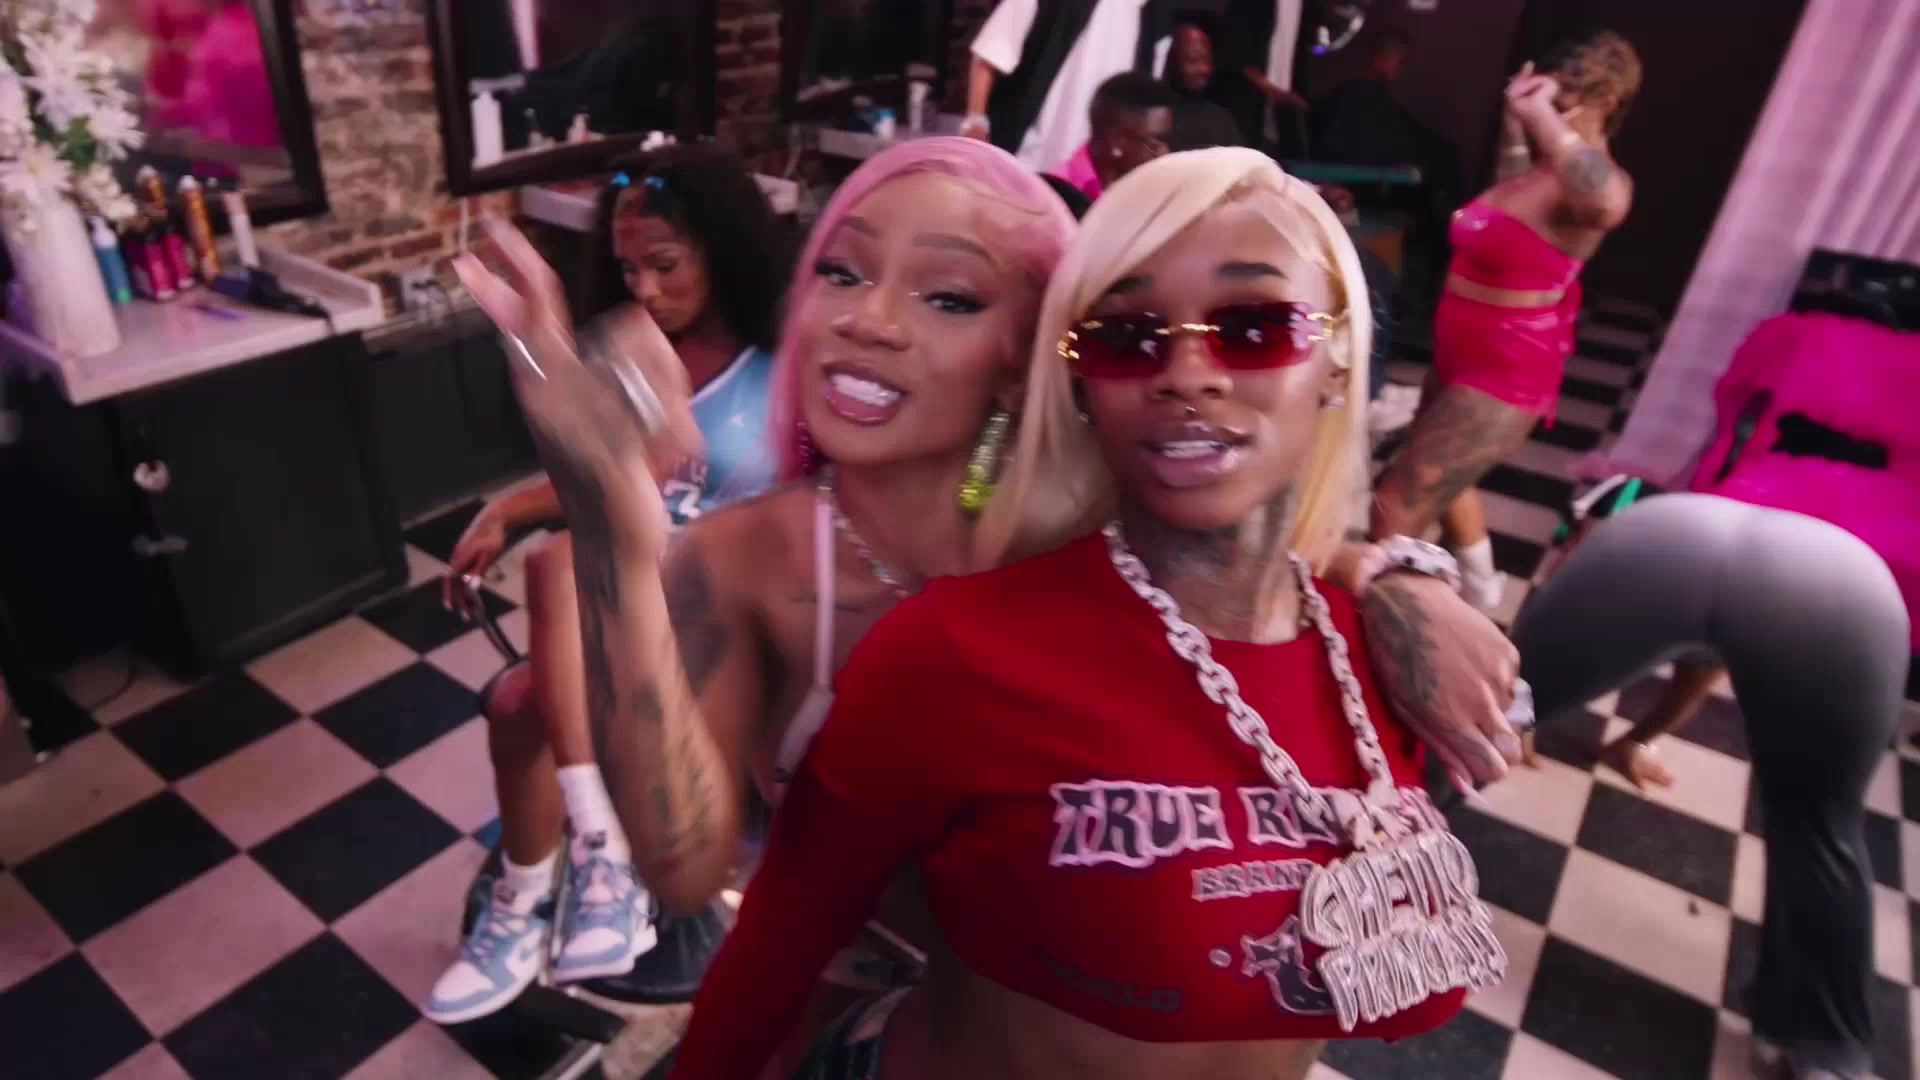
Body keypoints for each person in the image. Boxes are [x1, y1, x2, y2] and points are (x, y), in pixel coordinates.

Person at [454, 137, 1526, 1073]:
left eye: (950, 296)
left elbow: (1241, 529)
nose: (869, 320)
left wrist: (1391, 577)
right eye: (840, 270)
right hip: (873, 1000)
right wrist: (610, 522)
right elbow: (700, 880)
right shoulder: (783, 570)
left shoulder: (1094, 525)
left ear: (1033, 361)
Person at [422, 143, 791, 1025]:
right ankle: (540, 891)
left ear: (723, 251)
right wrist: (507, 506)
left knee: (560, 568)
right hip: (638, 587)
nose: (645, 290)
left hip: (733, 614)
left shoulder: (781, 367)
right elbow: (612, 475)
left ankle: (591, 859)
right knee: (522, 689)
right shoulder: (640, 353)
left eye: (665, 264)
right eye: (628, 269)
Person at [1511, 493, 1907, 1080]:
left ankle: (1376, 876)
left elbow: (1702, 616)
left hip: (1665, 540)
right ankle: (1824, 1052)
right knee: (1822, 831)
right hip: (1853, 586)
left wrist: (1519, 704)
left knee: (1477, 716)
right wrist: (1635, 737)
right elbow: (1714, 636)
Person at [1372, 30, 1641, 610]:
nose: (1552, 102)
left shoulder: (1594, 181)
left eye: (1566, 94)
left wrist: (1542, 116)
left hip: (1505, 368)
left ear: (1605, 99)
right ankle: (1479, 585)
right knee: (1444, 475)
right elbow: (1507, 191)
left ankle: (1386, 625)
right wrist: (1517, 126)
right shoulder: (1537, 174)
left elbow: (1608, 203)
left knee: (1396, 500)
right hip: (1458, 350)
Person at [962, 0, 1158, 171]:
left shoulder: (1146, 11)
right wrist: (975, 121)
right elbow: (991, 52)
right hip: (1027, 158)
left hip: (1095, 175)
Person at [1054, 72, 1174, 203]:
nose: (1164, 153)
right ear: (1116, 141)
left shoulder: (1157, 191)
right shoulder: (1055, 197)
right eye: (1156, 142)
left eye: (1167, 141)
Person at [1160, 11, 1246, 151]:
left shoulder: (1220, 119)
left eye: (1207, 60)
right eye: (1192, 60)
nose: (1203, 69)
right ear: (1173, 61)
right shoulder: (1155, 115)